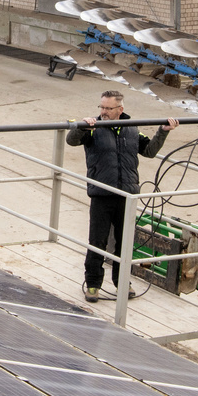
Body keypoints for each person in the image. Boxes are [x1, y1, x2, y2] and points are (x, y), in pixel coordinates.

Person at [67, 90, 176, 303]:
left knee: (124, 243)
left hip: (127, 194)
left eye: (108, 108)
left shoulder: (132, 130)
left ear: (120, 110)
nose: (104, 112)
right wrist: (82, 125)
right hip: (101, 194)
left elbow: (150, 151)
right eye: (101, 107)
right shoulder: (93, 128)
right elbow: (72, 140)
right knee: (96, 241)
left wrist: (163, 131)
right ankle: (93, 285)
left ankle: (122, 282)